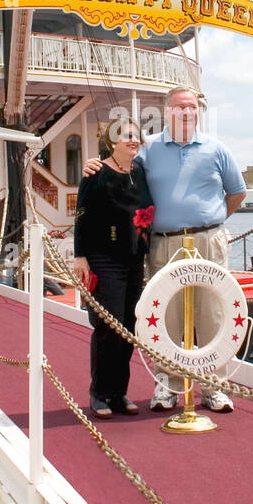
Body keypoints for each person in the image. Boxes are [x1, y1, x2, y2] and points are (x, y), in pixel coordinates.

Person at [86, 86, 247, 412]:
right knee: (166, 315)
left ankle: (213, 389)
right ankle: (167, 387)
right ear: (167, 112)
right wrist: (94, 167)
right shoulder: (148, 151)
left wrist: (208, 222)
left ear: (198, 112)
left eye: (192, 107)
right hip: (164, 243)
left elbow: (236, 193)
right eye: (179, 108)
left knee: (213, 314)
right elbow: (119, 170)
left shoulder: (217, 149)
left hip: (207, 240)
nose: (186, 113)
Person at [73, 120, 151, 419]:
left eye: (136, 135)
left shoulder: (140, 171)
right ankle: (99, 393)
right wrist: (80, 256)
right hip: (104, 258)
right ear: (111, 142)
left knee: (128, 329)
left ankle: (119, 393)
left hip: (134, 259)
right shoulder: (96, 172)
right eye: (126, 136)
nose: (133, 140)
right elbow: (81, 214)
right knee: (108, 327)